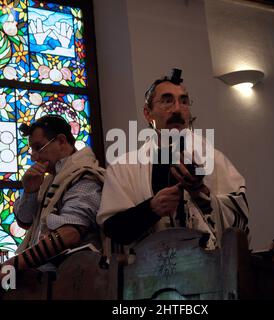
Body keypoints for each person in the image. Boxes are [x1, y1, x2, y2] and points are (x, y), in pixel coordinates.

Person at [97, 69, 249, 250]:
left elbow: (240, 218)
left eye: (184, 101)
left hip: (210, 267)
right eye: (167, 101)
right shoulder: (124, 167)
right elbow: (113, 230)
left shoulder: (214, 160)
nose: (177, 109)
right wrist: (151, 209)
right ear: (148, 113)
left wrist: (202, 193)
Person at [0, 115, 105, 294]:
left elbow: (70, 234)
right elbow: (25, 222)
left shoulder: (85, 177)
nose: (34, 156)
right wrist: (29, 191)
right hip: (42, 271)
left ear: (61, 141)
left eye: (38, 147)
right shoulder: (50, 179)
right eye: (32, 150)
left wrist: (10, 266)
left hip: (68, 278)